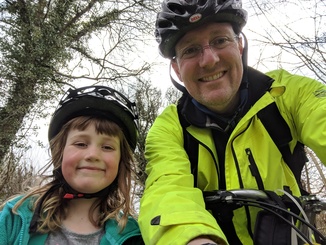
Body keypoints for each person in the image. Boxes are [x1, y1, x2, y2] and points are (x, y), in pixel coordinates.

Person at [138, 0, 326, 244]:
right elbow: (167, 189)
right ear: (176, 68)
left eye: (219, 40)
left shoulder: (286, 93)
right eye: (190, 50)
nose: (209, 60)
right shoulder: (169, 128)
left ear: (239, 44)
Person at [0, 85, 144, 244]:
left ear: (121, 161)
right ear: (60, 153)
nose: (93, 155)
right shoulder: (15, 217)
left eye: (107, 147)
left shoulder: (134, 236)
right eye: (81, 144)